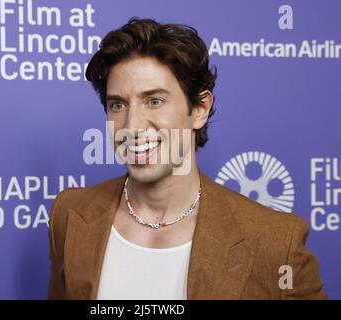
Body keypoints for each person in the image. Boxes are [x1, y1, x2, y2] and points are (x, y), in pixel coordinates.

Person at [47, 18, 326, 300]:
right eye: (117, 105)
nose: (132, 127)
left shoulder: (276, 242)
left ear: (200, 109)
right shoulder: (69, 215)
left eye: (154, 101)